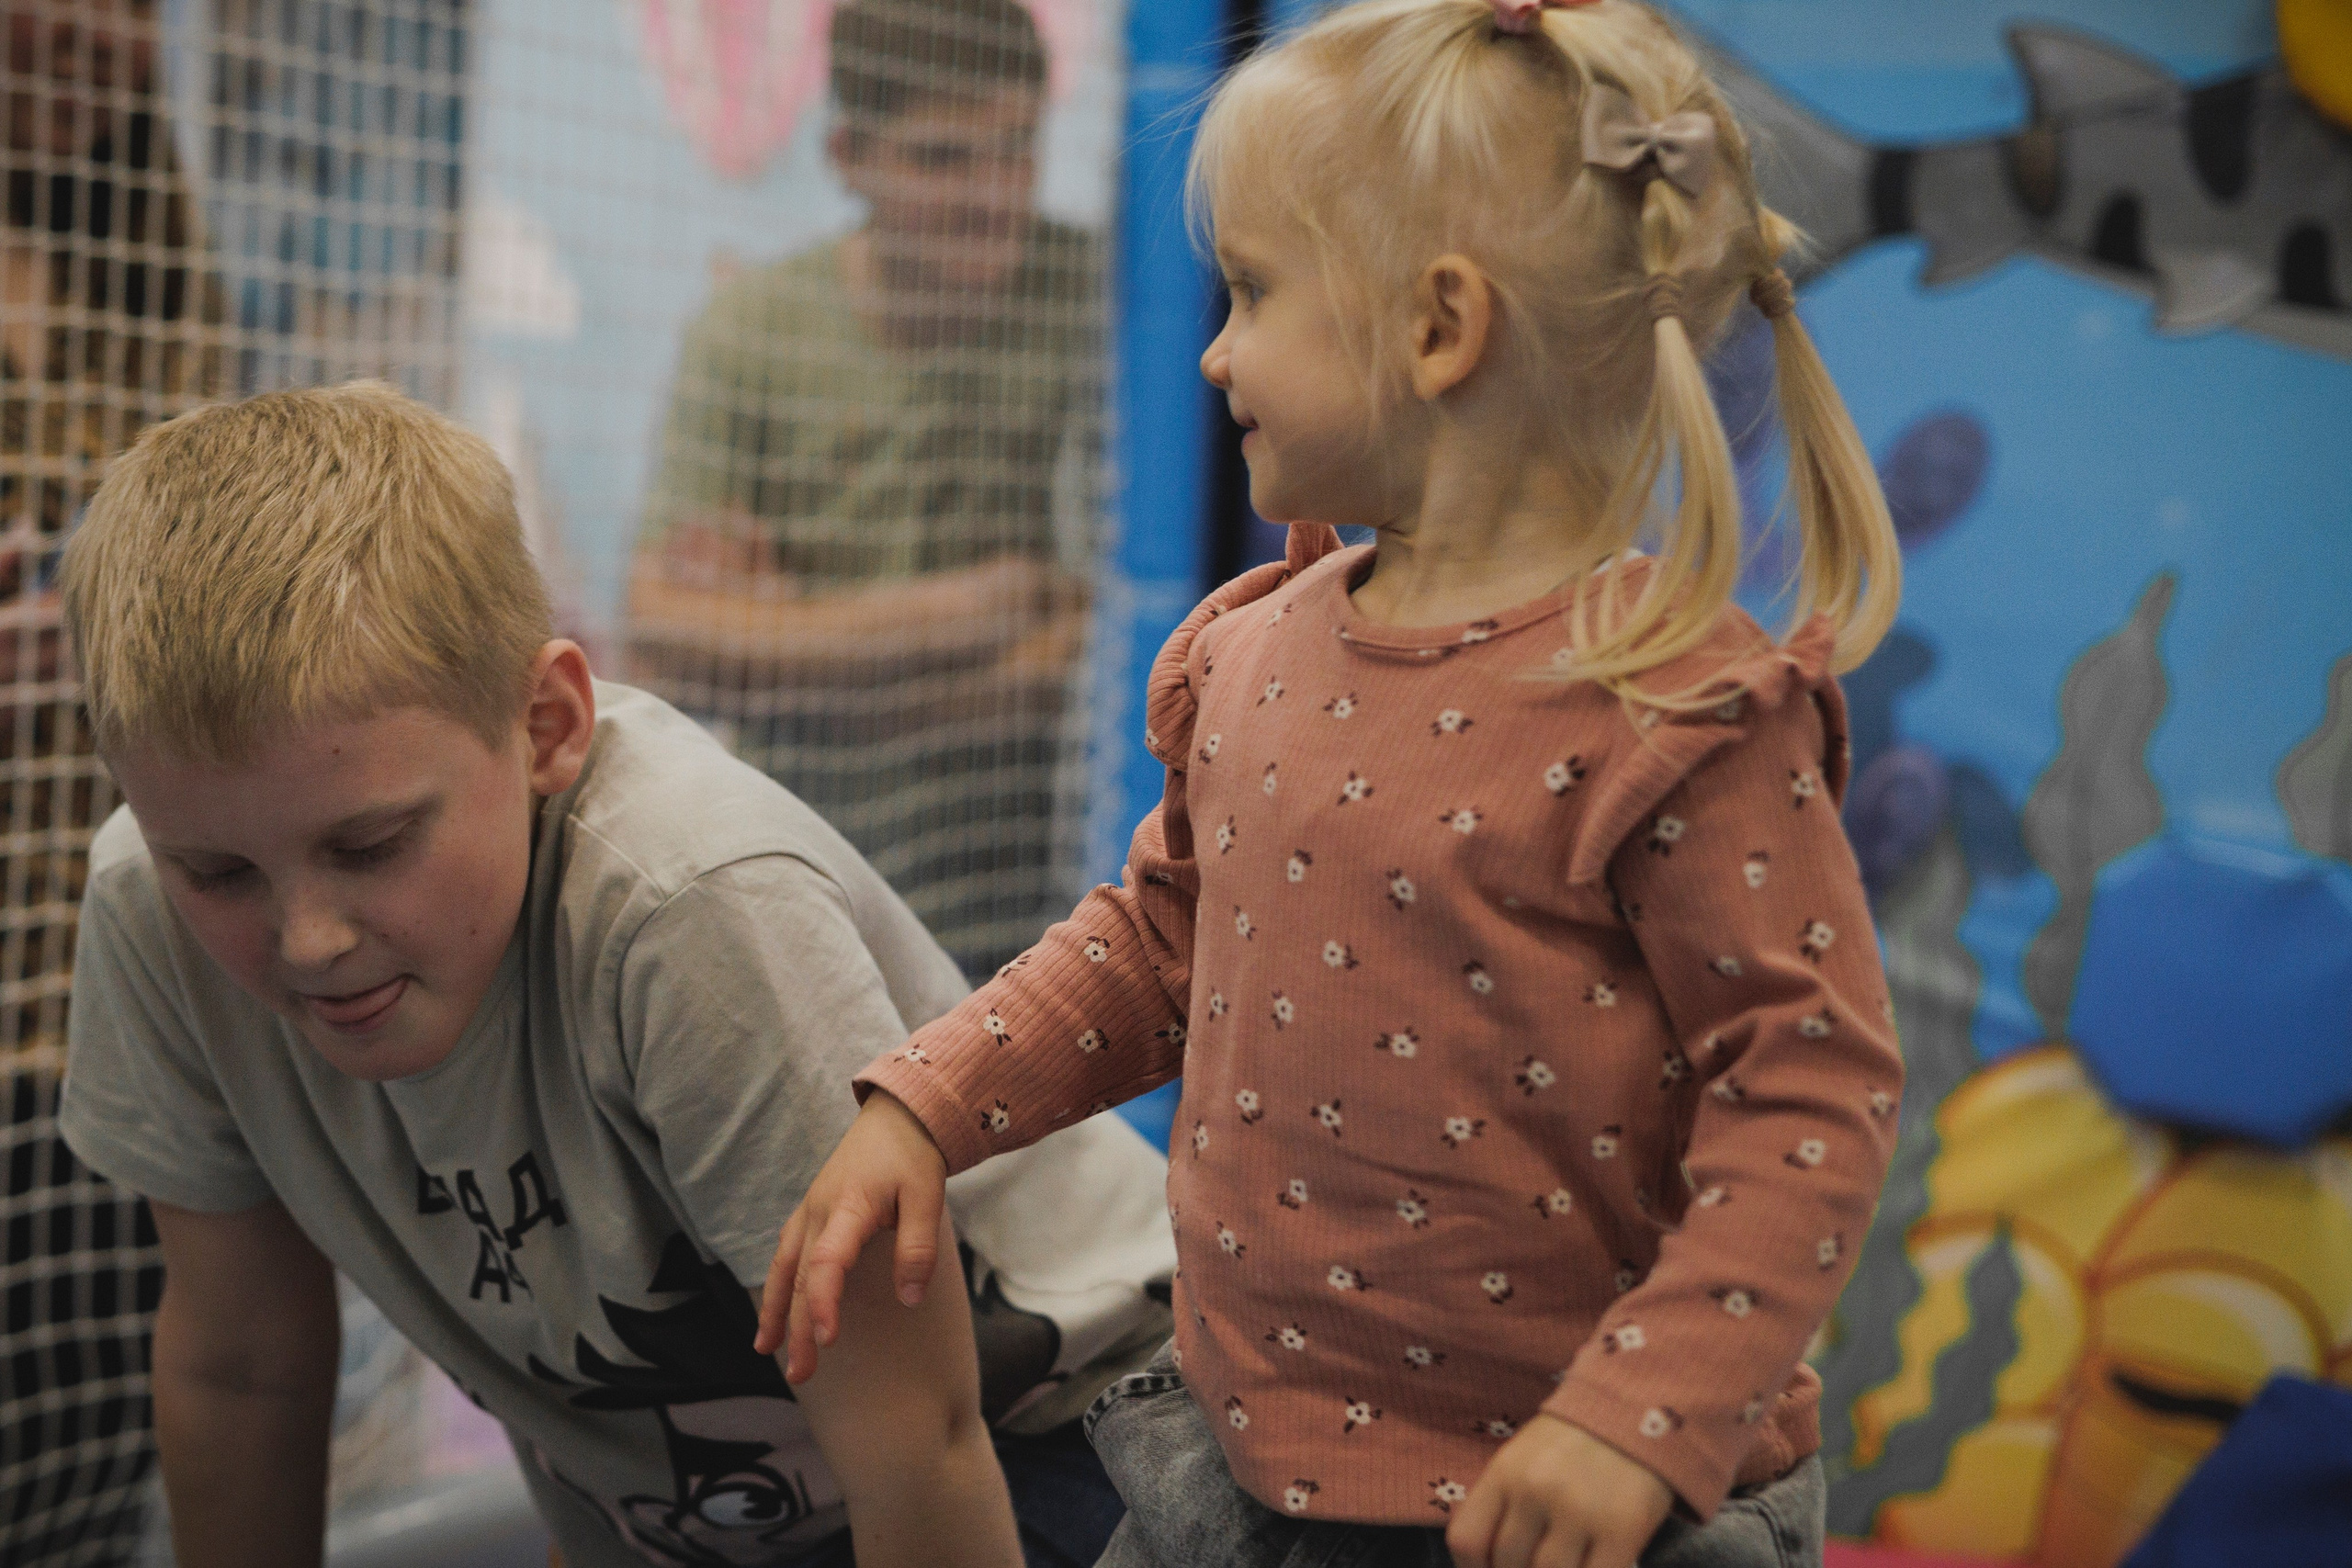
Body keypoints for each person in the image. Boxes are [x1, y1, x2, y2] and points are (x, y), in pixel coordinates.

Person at [761, 2, 1908, 1565]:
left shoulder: (1673, 707)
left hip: (1571, 1510)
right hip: (1239, 1470)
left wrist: (1638, 1413)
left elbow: (1811, 1088)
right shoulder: (1255, 654)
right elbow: (1156, 940)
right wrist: (931, 1105)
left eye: (1252, 288)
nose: (1217, 345)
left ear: (1437, 328)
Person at [53, 383, 1166, 1568]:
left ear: (546, 726)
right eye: (218, 871)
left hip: (1073, 1430)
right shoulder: (143, 907)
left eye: (369, 847)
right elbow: (241, 1369)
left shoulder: (688, 911)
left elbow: (920, 1441)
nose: (309, 936)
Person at [628, 0, 1099, 981]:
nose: (992, 194)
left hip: (1037, 903)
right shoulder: (753, 330)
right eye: (940, 159)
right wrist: (974, 610)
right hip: (803, 891)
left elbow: (1107, 640)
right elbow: (662, 633)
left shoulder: (1089, 299)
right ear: (848, 154)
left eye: (1015, 149)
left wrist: (800, 667)